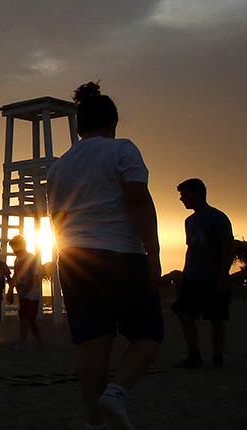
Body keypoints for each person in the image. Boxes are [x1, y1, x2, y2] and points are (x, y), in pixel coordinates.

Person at [47, 82, 163, 429]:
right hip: (120, 252)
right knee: (147, 336)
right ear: (113, 122)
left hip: (74, 257)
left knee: (93, 341)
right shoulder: (122, 150)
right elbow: (137, 200)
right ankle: (116, 393)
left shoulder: (59, 167)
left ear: (79, 127)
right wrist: (153, 253)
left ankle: (94, 421)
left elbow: (57, 220)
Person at [171, 178, 234, 369]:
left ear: (198, 193)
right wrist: (184, 273)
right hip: (193, 277)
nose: (182, 199)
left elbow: (227, 247)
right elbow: (191, 249)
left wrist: (223, 275)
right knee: (183, 312)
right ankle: (193, 354)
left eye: (185, 194)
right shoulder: (189, 221)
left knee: (216, 317)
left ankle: (217, 356)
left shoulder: (218, 218)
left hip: (213, 276)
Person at [6, 235, 44, 348]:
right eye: (12, 249)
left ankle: (22, 342)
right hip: (23, 293)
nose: (14, 251)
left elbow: (35, 277)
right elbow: (16, 275)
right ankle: (39, 342)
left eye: (15, 248)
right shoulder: (17, 259)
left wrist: (26, 290)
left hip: (32, 294)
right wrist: (10, 290)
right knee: (28, 319)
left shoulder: (31, 258)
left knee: (26, 318)